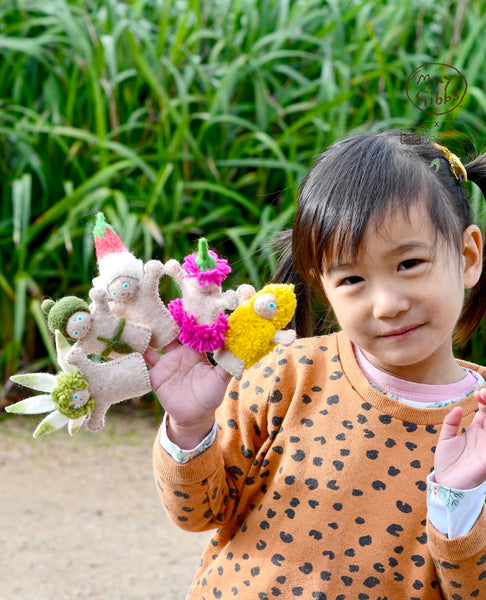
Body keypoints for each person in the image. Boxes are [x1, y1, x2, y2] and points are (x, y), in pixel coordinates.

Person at [146, 130, 486, 599]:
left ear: (468, 256)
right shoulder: (286, 375)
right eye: (351, 278)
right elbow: (197, 512)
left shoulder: (481, 426)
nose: (386, 304)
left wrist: (457, 501)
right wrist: (190, 426)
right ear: (323, 285)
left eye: (409, 263)